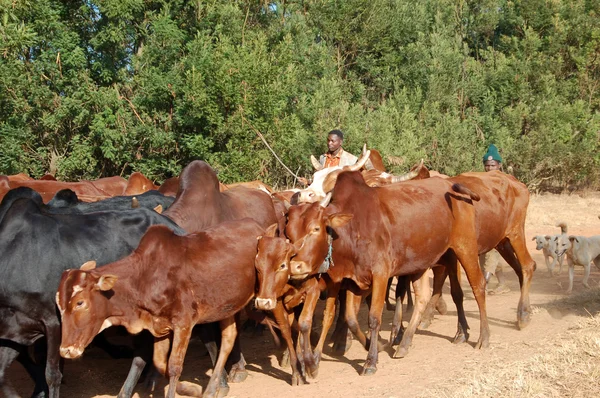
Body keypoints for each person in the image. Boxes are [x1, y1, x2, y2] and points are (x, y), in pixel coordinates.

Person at [480, 144, 510, 294]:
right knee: (484, 254)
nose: (490, 168)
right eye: (487, 166)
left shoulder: (506, 182)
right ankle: (502, 284)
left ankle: (483, 285)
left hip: (501, 224)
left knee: (491, 253)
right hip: (485, 223)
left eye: (492, 165)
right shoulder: (481, 181)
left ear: (499, 165)